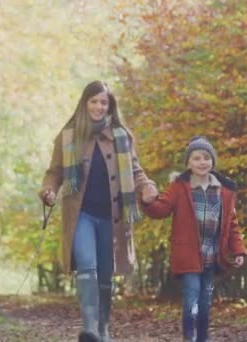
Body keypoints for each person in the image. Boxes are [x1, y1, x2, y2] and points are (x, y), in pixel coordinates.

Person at [39, 80, 157, 342]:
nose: (98, 106)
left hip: (112, 217)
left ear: (109, 106)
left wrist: (146, 187)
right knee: (87, 268)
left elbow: (135, 171)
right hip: (81, 215)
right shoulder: (68, 135)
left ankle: (103, 327)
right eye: (93, 101)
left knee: (105, 272)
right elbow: (54, 173)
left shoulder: (121, 137)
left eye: (103, 102)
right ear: (85, 103)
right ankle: (89, 327)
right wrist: (48, 191)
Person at [141, 136, 247, 342]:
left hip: (212, 257)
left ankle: (202, 338)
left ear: (212, 161)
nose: (202, 162)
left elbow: (231, 224)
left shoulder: (223, 191)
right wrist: (147, 201)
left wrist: (239, 250)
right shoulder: (180, 187)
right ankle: (189, 338)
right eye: (196, 158)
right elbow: (160, 209)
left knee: (205, 302)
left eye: (206, 158)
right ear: (189, 163)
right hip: (188, 256)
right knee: (192, 300)